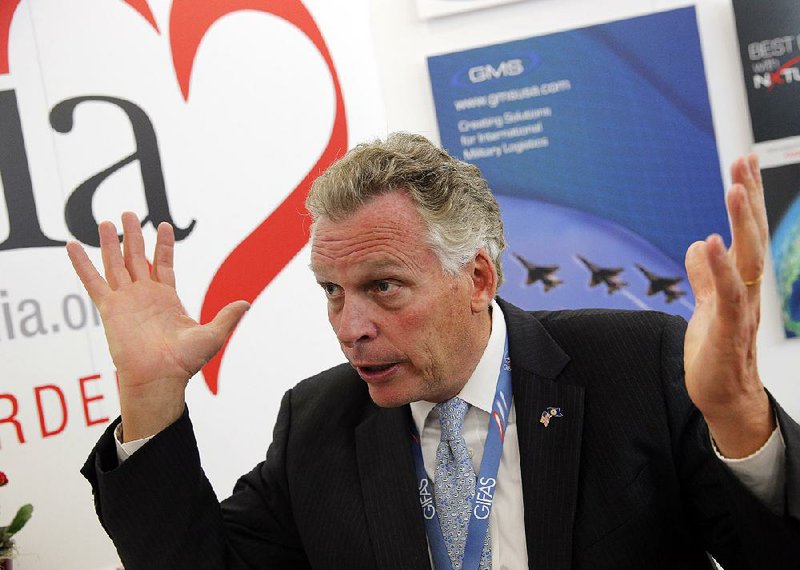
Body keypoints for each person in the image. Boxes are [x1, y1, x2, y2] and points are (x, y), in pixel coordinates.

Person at [68, 133, 799, 569]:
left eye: (382, 286)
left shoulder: (636, 368)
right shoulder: (317, 424)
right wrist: (151, 399)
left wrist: (738, 419)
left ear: (477, 276)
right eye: (330, 291)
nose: (350, 326)